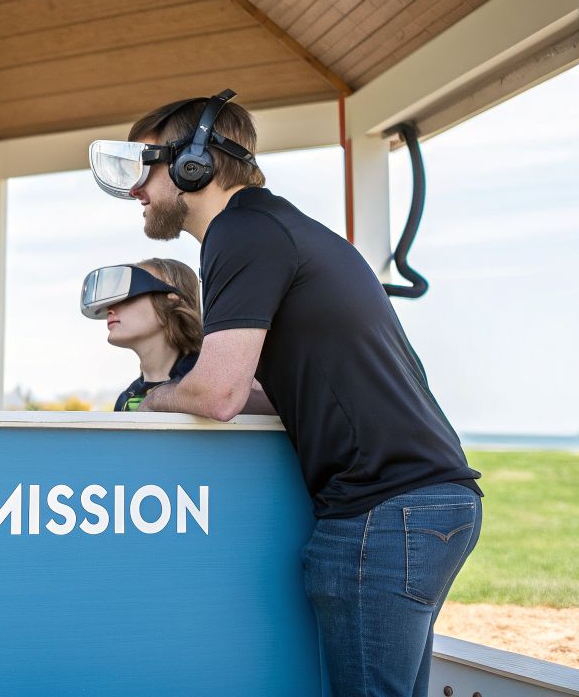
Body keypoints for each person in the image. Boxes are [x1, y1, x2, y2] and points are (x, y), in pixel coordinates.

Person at [88, 90, 481, 697]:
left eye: (148, 165)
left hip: (384, 510)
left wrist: (154, 398)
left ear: (195, 163)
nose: (137, 188)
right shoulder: (271, 227)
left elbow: (218, 395)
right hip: (418, 503)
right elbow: (270, 393)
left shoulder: (242, 233)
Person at [79, 259, 203, 411]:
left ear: (171, 301)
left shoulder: (207, 383)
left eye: (127, 295)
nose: (109, 309)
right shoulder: (127, 400)